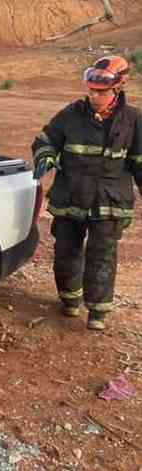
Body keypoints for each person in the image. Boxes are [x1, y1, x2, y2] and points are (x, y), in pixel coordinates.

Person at [32, 55, 142, 330]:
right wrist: (45, 156)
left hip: (109, 201)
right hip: (70, 196)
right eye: (91, 90)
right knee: (66, 251)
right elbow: (45, 141)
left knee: (102, 255)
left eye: (101, 91)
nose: (94, 95)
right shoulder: (71, 114)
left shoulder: (133, 120)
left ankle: (97, 312)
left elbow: (140, 162)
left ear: (117, 89)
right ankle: (70, 300)